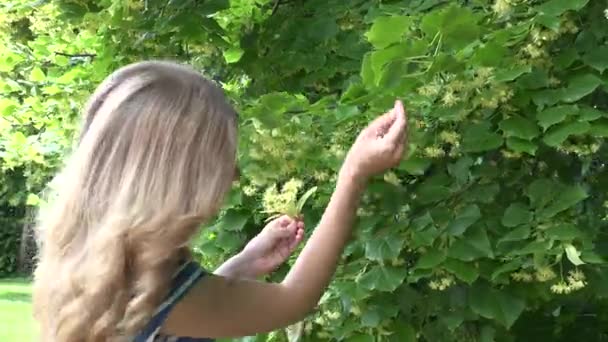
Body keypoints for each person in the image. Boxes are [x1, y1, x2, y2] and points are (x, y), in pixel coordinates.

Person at [32, 60, 408, 342]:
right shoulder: (163, 295)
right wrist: (354, 175)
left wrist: (241, 265)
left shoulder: (90, 268)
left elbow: (179, 315)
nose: (233, 177)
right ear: (175, 179)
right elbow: (295, 299)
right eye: (219, 164)